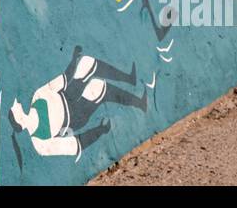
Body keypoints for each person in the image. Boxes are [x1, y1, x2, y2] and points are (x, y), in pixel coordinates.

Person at [8, 45, 147, 162]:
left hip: (69, 94)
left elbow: (64, 80)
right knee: (97, 86)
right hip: (75, 115)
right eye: (16, 108)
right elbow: (74, 144)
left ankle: (129, 78)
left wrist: (74, 60)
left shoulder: (37, 97)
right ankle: (140, 103)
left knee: (86, 62)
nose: (18, 104)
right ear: (19, 120)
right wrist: (100, 130)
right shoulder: (40, 143)